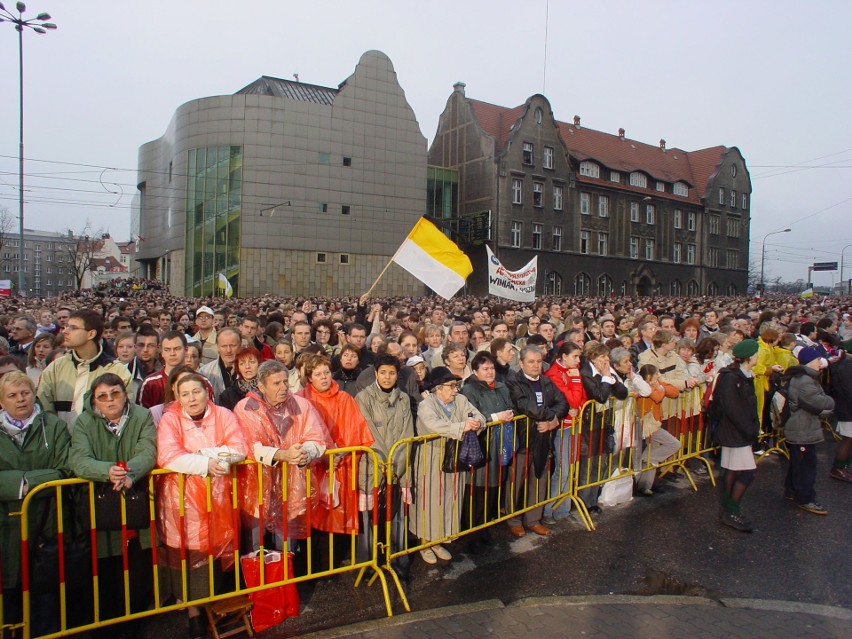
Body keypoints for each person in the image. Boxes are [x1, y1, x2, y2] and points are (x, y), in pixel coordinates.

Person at [156, 373, 248, 639]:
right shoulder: (171, 419)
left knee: (216, 553)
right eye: (184, 394)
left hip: (219, 497)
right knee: (188, 556)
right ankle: (193, 613)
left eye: (195, 392)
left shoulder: (223, 415)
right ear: (177, 397)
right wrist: (207, 463)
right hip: (181, 501)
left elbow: (239, 447)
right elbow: (168, 455)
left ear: (206, 391)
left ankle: (216, 607)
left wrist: (203, 456)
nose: (191, 399)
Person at [68, 373, 156, 629]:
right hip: (100, 505)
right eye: (102, 396)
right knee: (105, 572)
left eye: (115, 393)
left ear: (124, 393)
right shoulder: (85, 421)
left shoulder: (141, 416)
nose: (110, 400)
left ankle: (136, 625)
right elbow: (79, 458)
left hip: (135, 501)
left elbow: (148, 450)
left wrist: (129, 471)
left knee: (137, 572)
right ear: (94, 400)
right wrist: (107, 470)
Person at [0, 371, 71, 636]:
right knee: (9, 586)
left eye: (26, 393)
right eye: (13, 396)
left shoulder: (52, 425)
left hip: (47, 519)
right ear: (1, 401)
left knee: (44, 586)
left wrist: (26, 485)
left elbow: (64, 468)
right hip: (6, 521)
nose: (21, 400)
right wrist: (22, 483)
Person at [234, 360, 332, 552]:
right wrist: (282, 455)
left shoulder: (300, 404)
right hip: (258, 485)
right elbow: (249, 446)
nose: (284, 387)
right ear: (262, 386)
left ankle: (286, 578)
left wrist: (304, 452)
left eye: (285, 382)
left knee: (287, 539)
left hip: (292, 483)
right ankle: (259, 579)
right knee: (257, 541)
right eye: (276, 383)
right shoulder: (246, 407)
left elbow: (317, 439)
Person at [297, 354, 374, 566]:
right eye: (318, 374)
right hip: (311, 467)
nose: (323, 377)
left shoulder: (344, 398)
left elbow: (355, 430)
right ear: (309, 377)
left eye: (326, 373)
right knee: (311, 514)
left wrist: (339, 454)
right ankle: (313, 565)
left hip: (341, 464)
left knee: (337, 512)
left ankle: (334, 562)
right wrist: (321, 455)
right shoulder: (300, 398)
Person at [410, 367, 485, 563]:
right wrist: (462, 426)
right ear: (438, 388)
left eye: (456, 385)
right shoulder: (427, 405)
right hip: (431, 458)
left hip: (455, 458)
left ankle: (439, 540)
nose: (455, 390)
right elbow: (433, 425)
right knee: (429, 502)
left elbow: (478, 416)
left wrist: (477, 423)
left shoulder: (460, 400)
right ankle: (424, 542)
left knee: (449, 500)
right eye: (451, 386)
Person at [354, 354, 414, 572]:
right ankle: (368, 561)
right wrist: (383, 462)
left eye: (392, 373)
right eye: (383, 373)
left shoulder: (404, 399)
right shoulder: (363, 398)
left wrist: (397, 464)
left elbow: (408, 433)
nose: (387, 377)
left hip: (399, 466)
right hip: (372, 465)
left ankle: (397, 558)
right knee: (369, 515)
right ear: (376, 374)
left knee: (396, 515)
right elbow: (368, 432)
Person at [506, 347, 568, 535]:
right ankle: (513, 519)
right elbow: (527, 407)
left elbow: (563, 403)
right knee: (515, 483)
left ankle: (534, 519)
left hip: (542, 439)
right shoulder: (514, 381)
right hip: (522, 440)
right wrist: (552, 418)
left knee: (539, 480)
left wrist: (551, 422)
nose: (535, 365)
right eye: (531, 362)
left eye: (539, 361)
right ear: (521, 363)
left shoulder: (547, 381)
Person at [37, 310, 132, 432]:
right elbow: (45, 412)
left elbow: (123, 416)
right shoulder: (55, 368)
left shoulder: (117, 371)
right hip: (61, 446)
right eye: (66, 326)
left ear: (91, 334)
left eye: (73, 328)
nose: (65, 331)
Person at [461, 352, 515, 534]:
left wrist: (510, 414)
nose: (490, 372)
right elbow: (471, 417)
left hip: (501, 443)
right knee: (477, 489)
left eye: (492, 368)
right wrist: (495, 418)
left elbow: (511, 406)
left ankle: (488, 524)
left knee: (495, 484)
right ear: (475, 371)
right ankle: (473, 529)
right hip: (481, 445)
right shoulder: (469, 390)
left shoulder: (502, 387)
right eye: (485, 369)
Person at [712, 339, 761, 532]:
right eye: (756, 354)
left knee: (733, 470)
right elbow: (734, 409)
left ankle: (728, 510)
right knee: (747, 472)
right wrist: (750, 431)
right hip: (736, 432)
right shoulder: (731, 378)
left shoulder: (741, 375)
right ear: (749, 358)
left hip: (737, 431)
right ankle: (731, 509)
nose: (758, 357)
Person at [782, 347, 835, 515]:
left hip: (802, 427)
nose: (821, 363)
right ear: (809, 361)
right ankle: (805, 498)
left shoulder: (803, 378)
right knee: (806, 465)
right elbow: (820, 402)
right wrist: (830, 401)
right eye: (818, 359)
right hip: (802, 429)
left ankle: (792, 490)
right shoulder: (805, 381)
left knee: (798, 462)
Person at [543, 342, 586, 520]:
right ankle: (549, 510)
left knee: (570, 469)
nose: (578, 360)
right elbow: (573, 401)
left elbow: (582, 399)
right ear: (563, 356)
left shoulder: (571, 371)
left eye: (579, 356)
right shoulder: (554, 374)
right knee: (563, 470)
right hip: (562, 427)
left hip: (573, 424)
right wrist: (576, 380)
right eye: (575, 357)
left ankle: (563, 509)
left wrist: (577, 405)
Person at [138, 330, 188, 408]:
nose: (172, 353)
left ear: (186, 350)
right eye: (167, 350)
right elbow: (142, 417)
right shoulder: (150, 384)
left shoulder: (202, 381)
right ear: (161, 352)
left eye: (177, 349)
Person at [828, 340, 852, 482]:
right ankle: (838, 468)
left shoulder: (844, 364)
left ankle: (843, 466)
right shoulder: (847, 366)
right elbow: (849, 391)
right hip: (847, 408)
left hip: (845, 407)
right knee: (848, 438)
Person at [198, 327, 241, 403]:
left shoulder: (250, 370)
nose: (228, 350)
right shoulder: (204, 372)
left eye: (232, 345)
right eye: (224, 346)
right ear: (217, 347)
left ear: (240, 345)